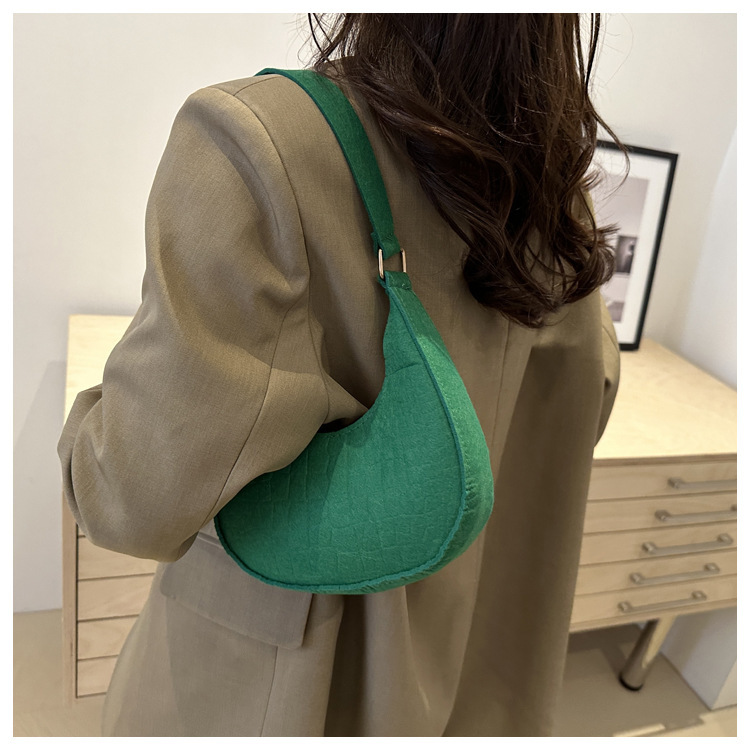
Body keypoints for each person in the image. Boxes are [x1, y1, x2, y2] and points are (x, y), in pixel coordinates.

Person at [57, 13, 622, 737]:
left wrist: (88, 423)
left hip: (290, 694)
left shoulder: (258, 143)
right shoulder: (558, 196)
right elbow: (586, 405)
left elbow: (130, 499)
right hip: (483, 675)